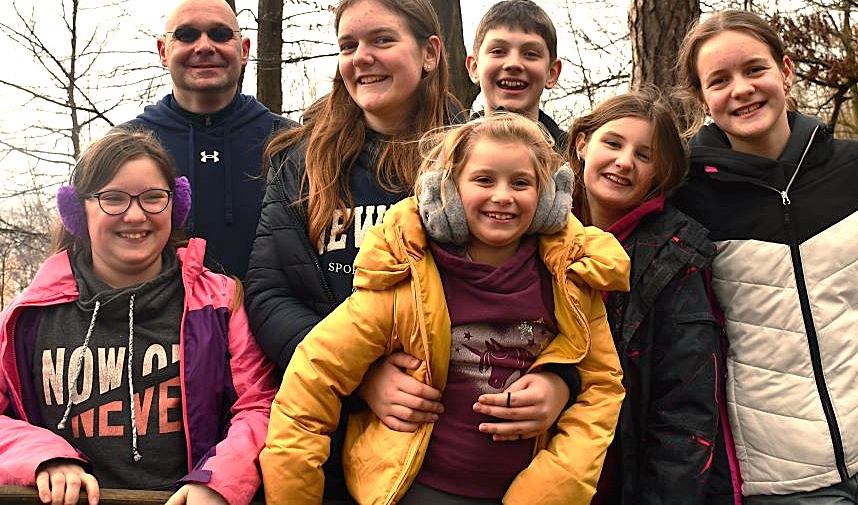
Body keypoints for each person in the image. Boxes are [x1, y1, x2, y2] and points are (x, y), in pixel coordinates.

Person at [244, 0, 576, 500]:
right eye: (348, 45)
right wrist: (361, 377)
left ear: (429, 53)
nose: (362, 57)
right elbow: (268, 292)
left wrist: (561, 379)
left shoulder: (476, 156)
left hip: (443, 444)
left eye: (382, 40)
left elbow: (550, 287)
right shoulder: (298, 161)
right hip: (322, 426)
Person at [672, 9, 858, 503]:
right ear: (702, 98)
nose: (742, 89)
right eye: (720, 80)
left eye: (755, 69)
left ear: (785, 71)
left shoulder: (856, 168)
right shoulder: (686, 197)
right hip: (780, 476)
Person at [261, 112, 629, 504]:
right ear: (446, 191)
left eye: (521, 183)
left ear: (548, 199)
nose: (503, 195)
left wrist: (553, 485)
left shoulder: (568, 280)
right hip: (416, 491)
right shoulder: (406, 279)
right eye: (484, 180)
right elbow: (312, 379)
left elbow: (602, 387)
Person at [0, 129, 277, 505]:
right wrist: (40, 456)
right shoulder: (28, 315)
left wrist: (219, 480)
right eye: (113, 199)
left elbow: (261, 406)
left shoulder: (220, 303)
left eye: (153, 197)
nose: (135, 215)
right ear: (77, 212)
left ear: (176, 206)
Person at [567, 89, 738, 504]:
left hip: (622, 478)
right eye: (613, 143)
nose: (624, 161)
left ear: (658, 175)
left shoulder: (674, 258)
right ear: (583, 144)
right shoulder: (534, 231)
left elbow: (685, 409)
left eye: (644, 156)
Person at [123, 0, 297, 278]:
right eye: (186, 35)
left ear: (244, 50)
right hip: (158, 308)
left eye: (220, 34)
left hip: (272, 307)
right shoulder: (126, 147)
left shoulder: (291, 143)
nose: (204, 46)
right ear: (163, 52)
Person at [466, 0, 567, 150]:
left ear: (552, 73)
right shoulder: (445, 156)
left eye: (531, 54)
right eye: (498, 51)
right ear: (474, 68)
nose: (513, 64)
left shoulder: (578, 159)